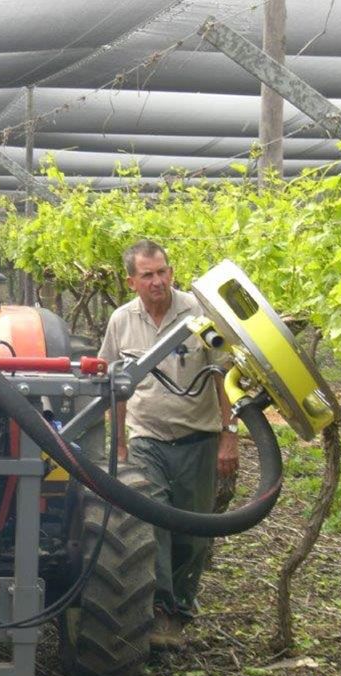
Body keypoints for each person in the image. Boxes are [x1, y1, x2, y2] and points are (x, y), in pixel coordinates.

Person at [98, 239, 239, 651]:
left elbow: (224, 377)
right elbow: (113, 384)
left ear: (171, 273)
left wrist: (229, 435)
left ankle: (180, 607)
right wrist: (119, 444)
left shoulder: (198, 314)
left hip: (197, 438)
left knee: (193, 530)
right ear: (132, 282)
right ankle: (158, 611)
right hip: (147, 438)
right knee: (151, 521)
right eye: (147, 275)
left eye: (162, 272)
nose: (157, 281)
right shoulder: (122, 321)